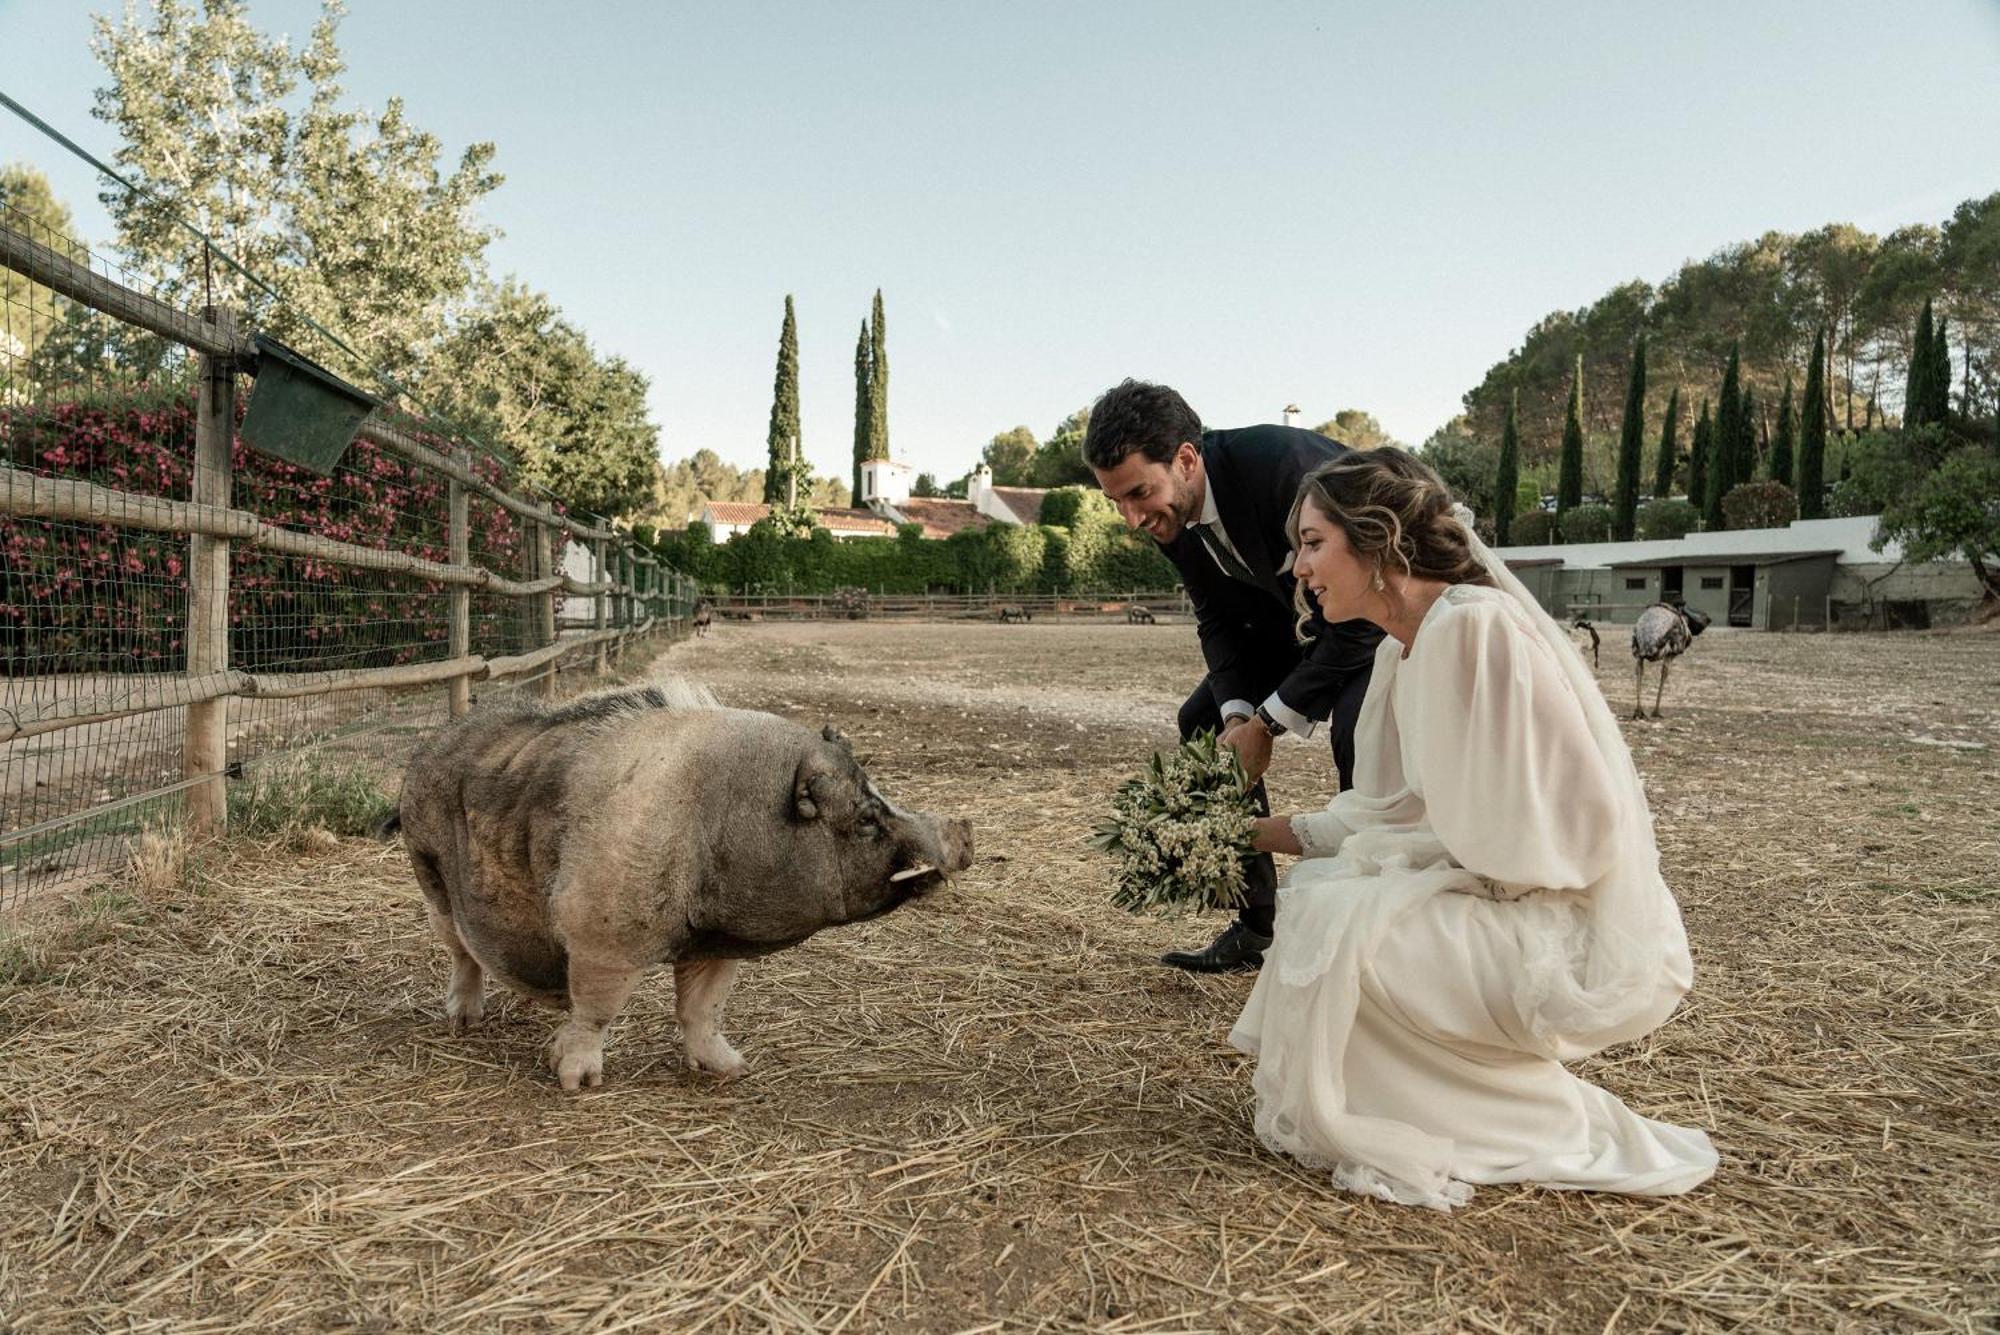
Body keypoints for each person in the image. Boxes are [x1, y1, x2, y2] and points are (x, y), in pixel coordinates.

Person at [1228, 447, 1717, 1208]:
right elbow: (1383, 811)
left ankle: (1520, 1126)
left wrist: (1395, 870)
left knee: (1353, 913)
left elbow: (1536, 849)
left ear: (1378, 537)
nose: (1298, 567)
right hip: (1494, 899)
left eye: (1314, 542)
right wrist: (1238, 836)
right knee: (1322, 893)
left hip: (1558, 924)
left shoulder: (1474, 629)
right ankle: (1419, 1111)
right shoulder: (1403, 650)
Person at [1083, 380, 1383, 973]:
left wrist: (1269, 725)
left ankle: (1366, 927)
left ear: (1186, 460)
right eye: (1117, 501)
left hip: (1374, 622)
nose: (1132, 518)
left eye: (1138, 494)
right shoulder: (1169, 514)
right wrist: (1240, 716)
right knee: (1203, 722)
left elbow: (1365, 616)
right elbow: (1216, 616)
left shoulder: (1287, 469)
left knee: (1358, 731)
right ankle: (1256, 925)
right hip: (1293, 626)